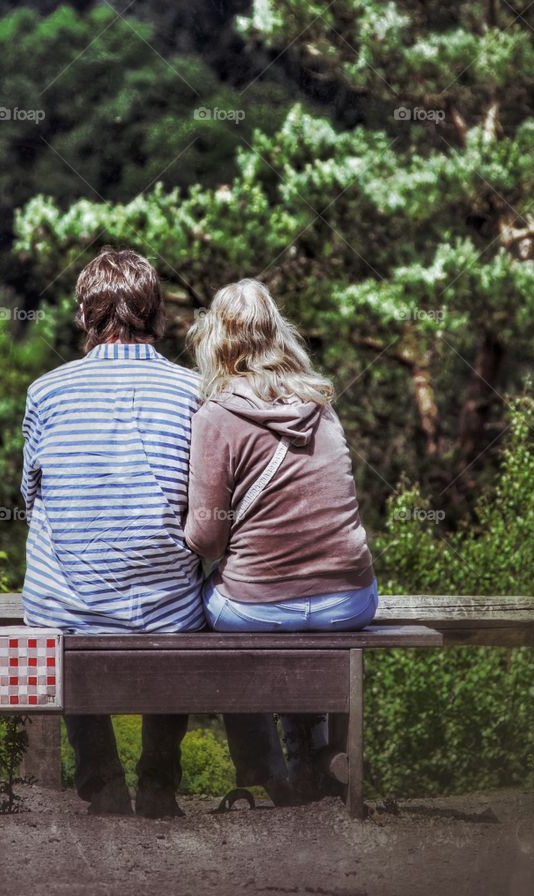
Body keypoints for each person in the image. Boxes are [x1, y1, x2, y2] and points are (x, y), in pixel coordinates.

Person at [20, 247, 203, 817]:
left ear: (84, 316)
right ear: (156, 314)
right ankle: (158, 781)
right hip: (167, 613)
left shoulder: (46, 393)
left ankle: (100, 778)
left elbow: (30, 498)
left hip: (68, 612)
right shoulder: (195, 392)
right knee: (182, 599)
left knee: (57, 594)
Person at [184, 278, 377, 803]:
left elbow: (204, 539)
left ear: (215, 342)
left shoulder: (214, 418)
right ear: (278, 333)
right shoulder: (321, 404)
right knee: (303, 616)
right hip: (350, 601)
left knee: (205, 615)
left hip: (256, 608)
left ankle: (268, 771)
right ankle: (317, 754)